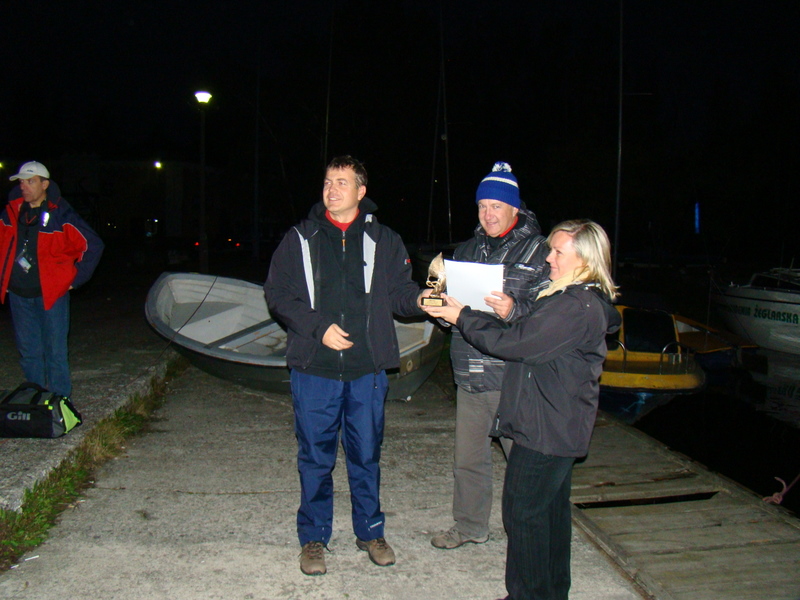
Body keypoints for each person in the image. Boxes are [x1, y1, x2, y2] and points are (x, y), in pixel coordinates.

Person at [422, 219, 620, 600]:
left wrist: (461, 317)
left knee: (523, 513)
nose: (549, 258)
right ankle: (551, 592)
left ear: (584, 259)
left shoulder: (574, 306)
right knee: (551, 515)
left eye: (558, 252)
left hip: (545, 429)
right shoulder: (569, 297)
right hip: (556, 425)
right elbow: (526, 332)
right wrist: (472, 312)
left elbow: (514, 344)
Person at [264, 155, 429, 576]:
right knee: (315, 457)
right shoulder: (300, 238)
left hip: (366, 370)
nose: (332, 189)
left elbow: (399, 294)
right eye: (327, 182)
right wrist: (317, 328)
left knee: (366, 454)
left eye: (342, 182)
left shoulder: (385, 240)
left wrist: (422, 300)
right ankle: (314, 538)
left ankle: (370, 531)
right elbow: (278, 294)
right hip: (314, 368)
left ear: (361, 191)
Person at [430, 161, 551, 551]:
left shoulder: (542, 251)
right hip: (470, 372)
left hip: (515, 377)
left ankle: (530, 535)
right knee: (467, 460)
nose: (488, 214)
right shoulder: (466, 251)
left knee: (525, 466)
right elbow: (452, 312)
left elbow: (553, 315)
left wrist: (514, 309)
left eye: (496, 206)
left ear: (515, 208)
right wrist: (439, 308)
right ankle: (469, 526)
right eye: (482, 206)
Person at [0, 161, 104, 400]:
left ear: (44, 184)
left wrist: (75, 279)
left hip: (52, 294)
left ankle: (59, 402)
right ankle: (34, 400)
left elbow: (93, 245)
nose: (24, 187)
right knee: (29, 353)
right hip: (18, 293)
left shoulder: (61, 213)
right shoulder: (10, 212)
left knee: (55, 352)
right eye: (21, 182)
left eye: (30, 181)